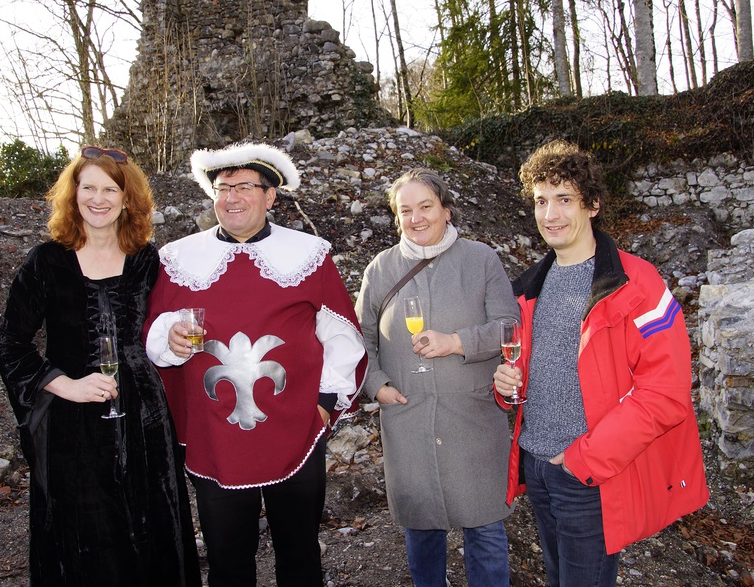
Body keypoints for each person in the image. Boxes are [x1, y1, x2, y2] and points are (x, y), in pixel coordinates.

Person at [144, 141, 367, 587]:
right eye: (222, 187)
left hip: (296, 429)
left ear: (270, 196)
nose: (231, 198)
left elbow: (341, 335)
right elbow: (154, 332)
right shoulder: (178, 258)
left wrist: (324, 403)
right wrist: (167, 340)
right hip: (214, 433)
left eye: (245, 186)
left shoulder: (308, 253)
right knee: (227, 561)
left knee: (300, 554)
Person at [493, 140, 709, 586]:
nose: (549, 214)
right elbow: (528, 378)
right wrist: (505, 385)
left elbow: (665, 393)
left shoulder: (638, 284)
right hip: (536, 465)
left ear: (592, 205)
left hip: (588, 474)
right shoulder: (527, 289)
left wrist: (582, 460)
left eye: (564, 199)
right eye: (540, 201)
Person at [0, 146, 201, 586]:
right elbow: (11, 343)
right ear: (73, 196)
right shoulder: (46, 262)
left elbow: (164, 326)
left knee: (153, 528)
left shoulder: (149, 259)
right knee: (87, 534)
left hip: (145, 418)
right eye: (87, 187)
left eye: (110, 188)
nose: (98, 198)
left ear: (128, 199)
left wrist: (174, 338)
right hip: (75, 424)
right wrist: (61, 384)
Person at [354, 168, 518, 587]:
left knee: (485, 531)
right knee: (421, 533)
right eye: (405, 210)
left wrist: (456, 342)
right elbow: (360, 338)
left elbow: (508, 326)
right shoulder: (380, 269)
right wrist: (377, 385)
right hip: (407, 421)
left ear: (446, 209)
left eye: (426, 206)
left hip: (473, 421)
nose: (416, 218)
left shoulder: (481, 259)